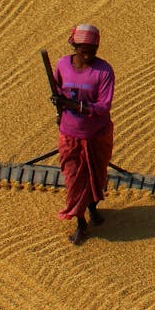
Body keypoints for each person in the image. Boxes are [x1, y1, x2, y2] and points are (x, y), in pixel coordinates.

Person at [50, 23, 115, 245]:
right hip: (69, 135)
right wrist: (59, 104)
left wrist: (73, 105)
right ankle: (81, 223)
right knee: (74, 179)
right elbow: (58, 90)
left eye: (92, 50)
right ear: (74, 46)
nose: (87, 54)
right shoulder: (62, 65)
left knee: (95, 176)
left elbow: (104, 105)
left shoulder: (104, 71)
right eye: (82, 49)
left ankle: (93, 209)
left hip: (97, 134)